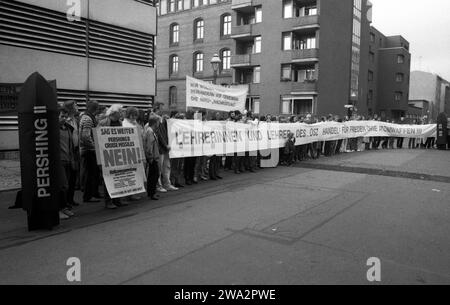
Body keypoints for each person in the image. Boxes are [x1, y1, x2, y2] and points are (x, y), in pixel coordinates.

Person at [79, 100, 101, 203]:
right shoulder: (88, 118)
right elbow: (85, 136)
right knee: (90, 174)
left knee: (94, 173)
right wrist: (95, 147)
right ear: (95, 109)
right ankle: (88, 196)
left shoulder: (87, 117)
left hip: (89, 150)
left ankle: (94, 193)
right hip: (88, 150)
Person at [58, 107, 76, 220]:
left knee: (67, 185)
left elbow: (70, 146)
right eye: (61, 116)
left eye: (65, 116)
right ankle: (59, 209)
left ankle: (64, 207)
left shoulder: (68, 128)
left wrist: (72, 159)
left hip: (68, 159)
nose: (64, 118)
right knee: (62, 186)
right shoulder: (52, 128)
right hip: (59, 161)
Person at [155, 111, 178, 192]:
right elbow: (160, 136)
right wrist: (165, 145)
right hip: (161, 149)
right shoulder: (160, 125)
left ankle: (167, 184)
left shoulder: (168, 126)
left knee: (167, 167)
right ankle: (158, 185)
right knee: (159, 168)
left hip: (166, 149)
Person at [143, 115, 161, 200]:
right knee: (154, 174)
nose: (159, 123)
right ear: (155, 123)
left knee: (152, 174)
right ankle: (152, 192)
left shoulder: (150, 130)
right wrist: (150, 156)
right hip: (152, 157)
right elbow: (149, 145)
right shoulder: (150, 131)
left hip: (153, 156)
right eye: (158, 122)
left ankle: (151, 192)